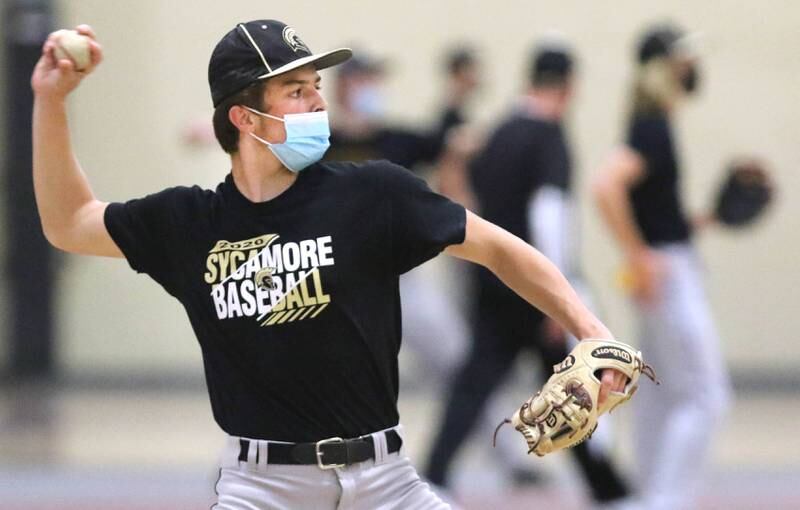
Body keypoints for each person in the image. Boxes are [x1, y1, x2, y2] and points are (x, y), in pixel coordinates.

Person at [31, 20, 629, 509]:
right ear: (245, 118)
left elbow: (498, 247)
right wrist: (50, 102)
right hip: (261, 490)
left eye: (317, 84)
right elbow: (69, 220)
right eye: (296, 90)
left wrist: (591, 329)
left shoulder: (373, 196)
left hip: (387, 483)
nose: (319, 100)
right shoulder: (190, 225)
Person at [424, 43, 631, 506]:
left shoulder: (498, 133)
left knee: (480, 381)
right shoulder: (547, 135)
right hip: (534, 288)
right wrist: (559, 296)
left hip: (493, 280)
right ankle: (609, 489)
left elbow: (466, 199)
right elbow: (549, 213)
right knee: (578, 387)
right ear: (569, 86)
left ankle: (435, 474)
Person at [593, 24, 731, 510]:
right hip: (668, 274)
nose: (692, 68)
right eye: (684, 58)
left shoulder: (650, 122)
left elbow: (652, 209)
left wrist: (702, 220)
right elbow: (605, 186)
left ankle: (650, 495)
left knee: (660, 393)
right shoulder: (651, 126)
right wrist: (639, 255)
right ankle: (665, 501)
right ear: (666, 66)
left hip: (666, 264)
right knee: (706, 395)